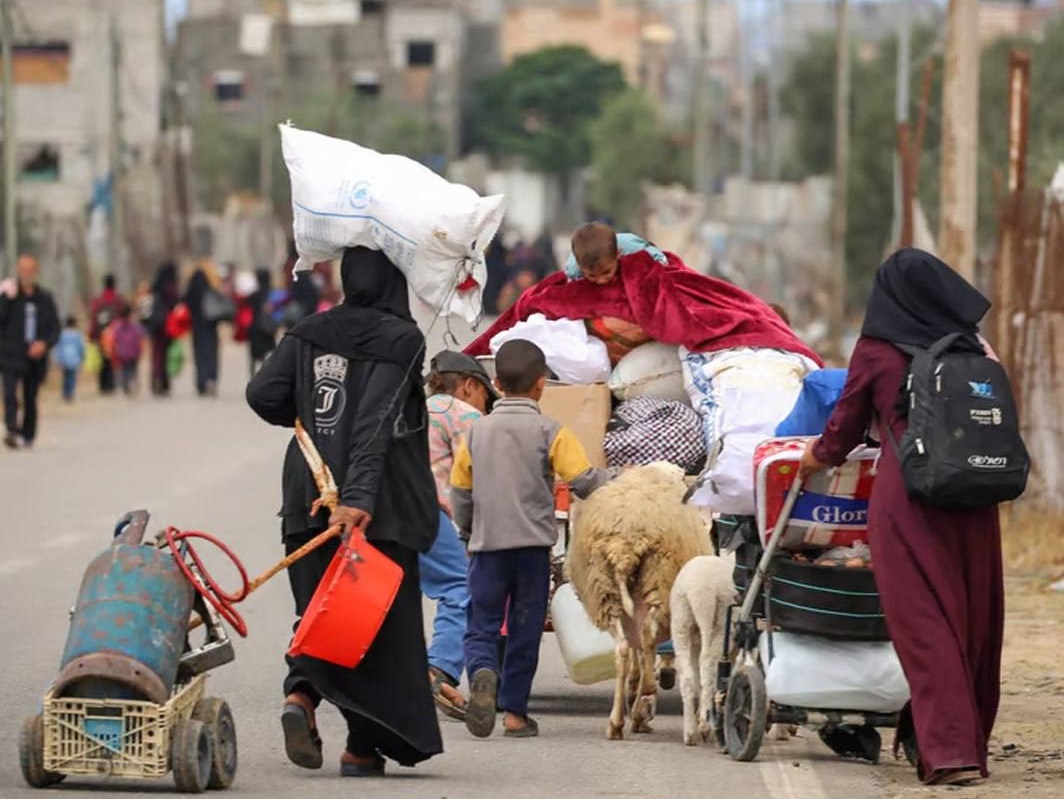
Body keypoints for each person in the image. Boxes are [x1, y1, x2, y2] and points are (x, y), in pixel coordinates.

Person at [797, 248, 1004, 787]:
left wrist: (811, 459)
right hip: (976, 499)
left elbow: (843, 429)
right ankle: (960, 741)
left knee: (923, 624)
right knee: (971, 620)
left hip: (909, 500)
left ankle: (951, 753)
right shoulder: (974, 345)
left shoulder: (878, 349)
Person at [246, 246, 442, 777]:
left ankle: (302, 701)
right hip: (373, 506)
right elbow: (374, 422)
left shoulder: (311, 330)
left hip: (307, 494)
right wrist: (357, 499)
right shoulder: (401, 340)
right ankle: (360, 748)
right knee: (373, 625)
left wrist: (309, 406)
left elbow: (263, 394)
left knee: (320, 614)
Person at [450, 340, 615, 739]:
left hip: (487, 548)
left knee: (482, 624)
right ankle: (514, 714)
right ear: (542, 385)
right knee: (523, 629)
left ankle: (483, 674)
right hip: (532, 551)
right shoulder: (551, 431)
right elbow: (583, 481)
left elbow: (460, 491)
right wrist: (623, 479)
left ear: (495, 382)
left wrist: (470, 531)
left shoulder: (476, 432)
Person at [422, 350, 497, 720]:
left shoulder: (413, 409)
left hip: (386, 513)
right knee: (459, 589)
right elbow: (477, 478)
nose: (486, 405)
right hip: (432, 515)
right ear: (469, 385)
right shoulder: (465, 415)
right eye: (486, 395)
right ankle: (439, 670)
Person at [0, 255, 60, 449]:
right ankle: (11, 429)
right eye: (22, 270)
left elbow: (54, 327)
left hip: (35, 356)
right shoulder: (9, 295)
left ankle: (28, 433)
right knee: (9, 393)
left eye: (29, 270)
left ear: (35, 272)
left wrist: (44, 343)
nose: (25, 274)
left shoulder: (44, 298)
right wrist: (6, 298)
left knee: (30, 397)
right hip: (10, 353)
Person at [185, 261, 222, 397]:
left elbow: (186, 305)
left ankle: (201, 382)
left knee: (199, 356)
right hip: (211, 328)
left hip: (197, 328)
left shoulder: (191, 292)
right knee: (211, 354)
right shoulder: (210, 290)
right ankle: (212, 378)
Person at [88, 273, 127, 395]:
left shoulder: (98, 300)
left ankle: (103, 385)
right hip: (115, 333)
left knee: (102, 359)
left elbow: (93, 317)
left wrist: (92, 333)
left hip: (100, 333)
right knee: (112, 359)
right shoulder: (118, 300)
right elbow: (124, 315)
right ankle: (111, 384)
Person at [146, 262, 180, 397]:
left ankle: (155, 381)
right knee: (165, 355)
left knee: (156, 354)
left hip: (154, 325)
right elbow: (176, 305)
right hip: (167, 326)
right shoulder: (171, 289)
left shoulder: (154, 288)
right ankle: (164, 383)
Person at [247, 267, 278, 377]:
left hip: (255, 328)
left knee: (254, 356)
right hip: (269, 329)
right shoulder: (274, 295)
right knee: (270, 354)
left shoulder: (254, 295)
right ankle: (268, 376)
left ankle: (254, 377)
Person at [110, 306, 145, 395]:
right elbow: (140, 339)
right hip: (134, 352)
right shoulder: (135, 326)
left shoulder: (117, 327)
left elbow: (113, 340)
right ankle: (133, 384)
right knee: (133, 370)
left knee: (124, 370)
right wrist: (141, 350)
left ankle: (126, 386)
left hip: (122, 353)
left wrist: (114, 350)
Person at [56, 316, 85, 402]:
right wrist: (82, 357)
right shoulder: (77, 334)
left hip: (64, 357)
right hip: (74, 358)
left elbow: (58, 347)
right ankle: (70, 393)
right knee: (72, 377)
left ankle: (65, 393)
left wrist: (58, 359)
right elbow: (81, 347)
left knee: (65, 376)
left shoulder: (61, 334)